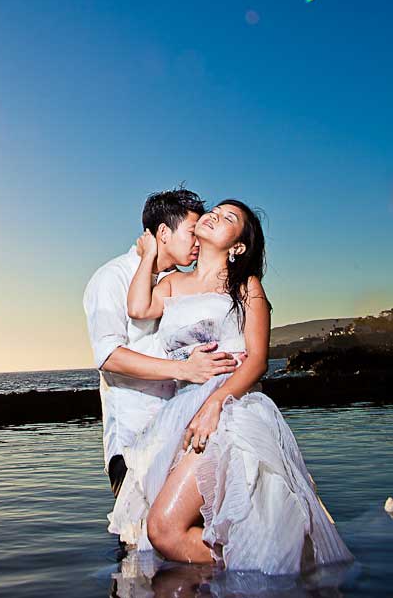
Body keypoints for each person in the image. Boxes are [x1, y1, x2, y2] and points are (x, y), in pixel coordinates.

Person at [108, 200, 353, 575]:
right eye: (215, 211)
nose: (213, 216)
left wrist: (214, 407)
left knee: (163, 530)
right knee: (174, 531)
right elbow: (139, 309)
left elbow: (256, 361)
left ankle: (269, 564)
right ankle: (257, 566)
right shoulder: (172, 283)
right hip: (182, 411)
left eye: (228, 218)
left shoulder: (246, 286)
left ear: (237, 246)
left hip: (228, 410)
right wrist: (149, 255)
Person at [83, 188, 244, 498]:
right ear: (163, 233)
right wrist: (183, 369)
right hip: (134, 437)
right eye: (191, 232)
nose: (198, 241)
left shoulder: (179, 282)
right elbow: (109, 356)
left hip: (183, 430)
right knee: (140, 539)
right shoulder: (112, 278)